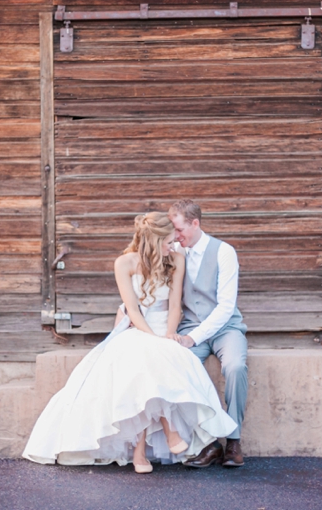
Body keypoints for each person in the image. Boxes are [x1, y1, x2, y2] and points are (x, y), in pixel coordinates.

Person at [22, 212, 237, 474]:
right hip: (137, 327)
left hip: (164, 328)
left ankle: (140, 452)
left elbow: (174, 307)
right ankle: (168, 433)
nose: (175, 245)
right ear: (154, 241)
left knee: (156, 362)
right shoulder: (124, 263)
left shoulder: (176, 259)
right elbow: (133, 311)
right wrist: (151, 338)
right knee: (143, 362)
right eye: (169, 241)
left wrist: (168, 337)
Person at [168, 199, 249, 468]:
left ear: (195, 223)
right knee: (177, 366)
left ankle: (233, 441)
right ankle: (209, 443)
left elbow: (226, 306)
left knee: (236, 367)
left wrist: (195, 337)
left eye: (180, 230)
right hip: (190, 325)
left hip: (225, 328)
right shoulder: (175, 252)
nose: (176, 236)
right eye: (173, 230)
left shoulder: (224, 252)